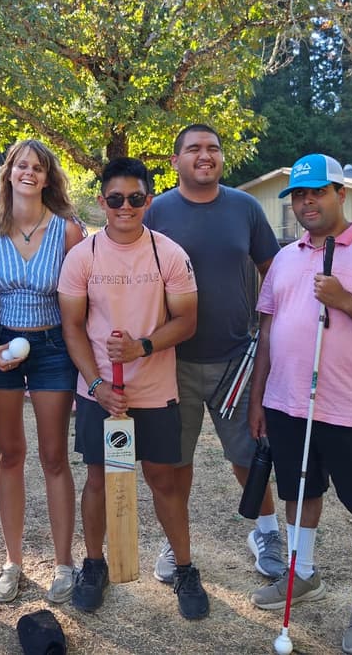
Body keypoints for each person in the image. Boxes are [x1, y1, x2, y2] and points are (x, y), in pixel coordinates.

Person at [247, 154, 352, 655]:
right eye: (298, 196)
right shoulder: (284, 258)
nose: (307, 203)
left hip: (350, 407)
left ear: (340, 194)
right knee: (299, 491)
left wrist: (347, 301)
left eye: (316, 193)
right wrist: (259, 398)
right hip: (286, 404)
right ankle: (302, 574)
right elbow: (267, 330)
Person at [58, 157, 210, 620]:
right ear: (103, 201)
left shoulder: (169, 253)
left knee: (163, 480)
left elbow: (187, 321)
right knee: (100, 480)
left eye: (137, 198)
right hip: (102, 396)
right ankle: (95, 564)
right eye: (116, 199)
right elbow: (73, 328)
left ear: (149, 199)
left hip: (154, 392)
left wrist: (142, 347)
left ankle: (185, 568)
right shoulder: (82, 255)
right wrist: (98, 383)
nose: (126, 207)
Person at [143, 124, 282, 582]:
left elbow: (276, 274)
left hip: (236, 361)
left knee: (248, 455)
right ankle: (175, 539)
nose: (206, 156)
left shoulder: (244, 208)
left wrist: (275, 337)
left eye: (214, 149)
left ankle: (266, 532)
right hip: (170, 363)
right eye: (194, 149)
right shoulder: (155, 211)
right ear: (175, 160)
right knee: (175, 461)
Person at [0, 139, 85, 604]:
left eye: (38, 168)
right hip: (0, 343)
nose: (29, 173)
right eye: (21, 165)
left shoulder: (68, 232)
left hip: (54, 346)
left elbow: (83, 305)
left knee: (54, 457)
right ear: (8, 173)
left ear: (47, 177)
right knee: (9, 455)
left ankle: (64, 564)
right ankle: (13, 561)